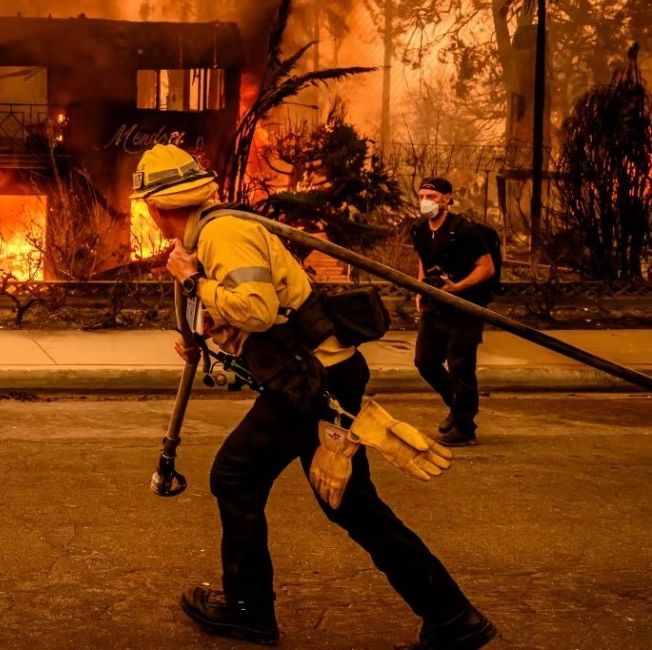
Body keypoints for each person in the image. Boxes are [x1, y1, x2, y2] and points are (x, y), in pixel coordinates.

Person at [131, 144, 497, 650]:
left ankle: (249, 610)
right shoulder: (216, 231)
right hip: (322, 373)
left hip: (312, 380)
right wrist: (210, 326)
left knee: (235, 474)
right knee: (349, 504)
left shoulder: (222, 234)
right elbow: (262, 309)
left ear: (157, 206)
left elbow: (256, 310)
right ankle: (453, 617)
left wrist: (192, 280)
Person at [411, 177, 496, 448]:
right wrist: (419, 291)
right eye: (422, 196)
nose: (426, 201)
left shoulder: (465, 231)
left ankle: (465, 427)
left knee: (461, 366)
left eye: (432, 197)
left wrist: (456, 287)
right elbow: (424, 263)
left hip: (465, 306)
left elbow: (486, 267)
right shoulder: (421, 230)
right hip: (434, 306)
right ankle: (457, 407)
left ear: (447, 198)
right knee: (425, 362)